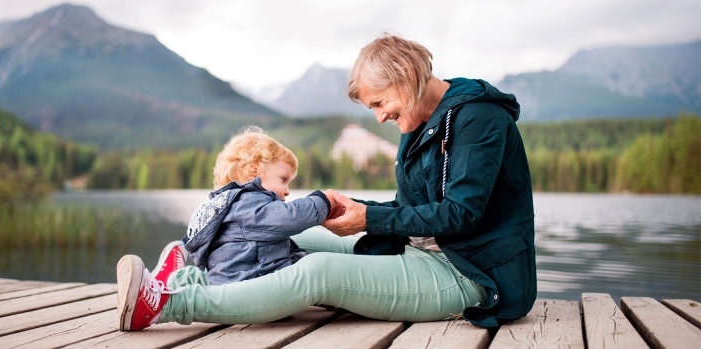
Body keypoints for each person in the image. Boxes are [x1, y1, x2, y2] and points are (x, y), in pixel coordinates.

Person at [116, 33, 535, 333]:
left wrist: (370, 218)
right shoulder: (418, 123)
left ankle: (169, 305)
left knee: (317, 270)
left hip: (470, 274)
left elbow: (460, 214)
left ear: (406, 75)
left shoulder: (479, 118)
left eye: (379, 102)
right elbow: (411, 207)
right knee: (298, 238)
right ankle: (188, 276)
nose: (379, 116)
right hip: (423, 252)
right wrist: (348, 207)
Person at [117, 126, 336, 330]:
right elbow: (288, 218)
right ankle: (156, 306)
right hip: (248, 281)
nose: (287, 191)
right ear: (254, 172)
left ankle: (173, 280)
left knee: (206, 278)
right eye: (283, 179)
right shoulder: (251, 203)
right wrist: (320, 202)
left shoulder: (227, 204)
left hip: (229, 275)